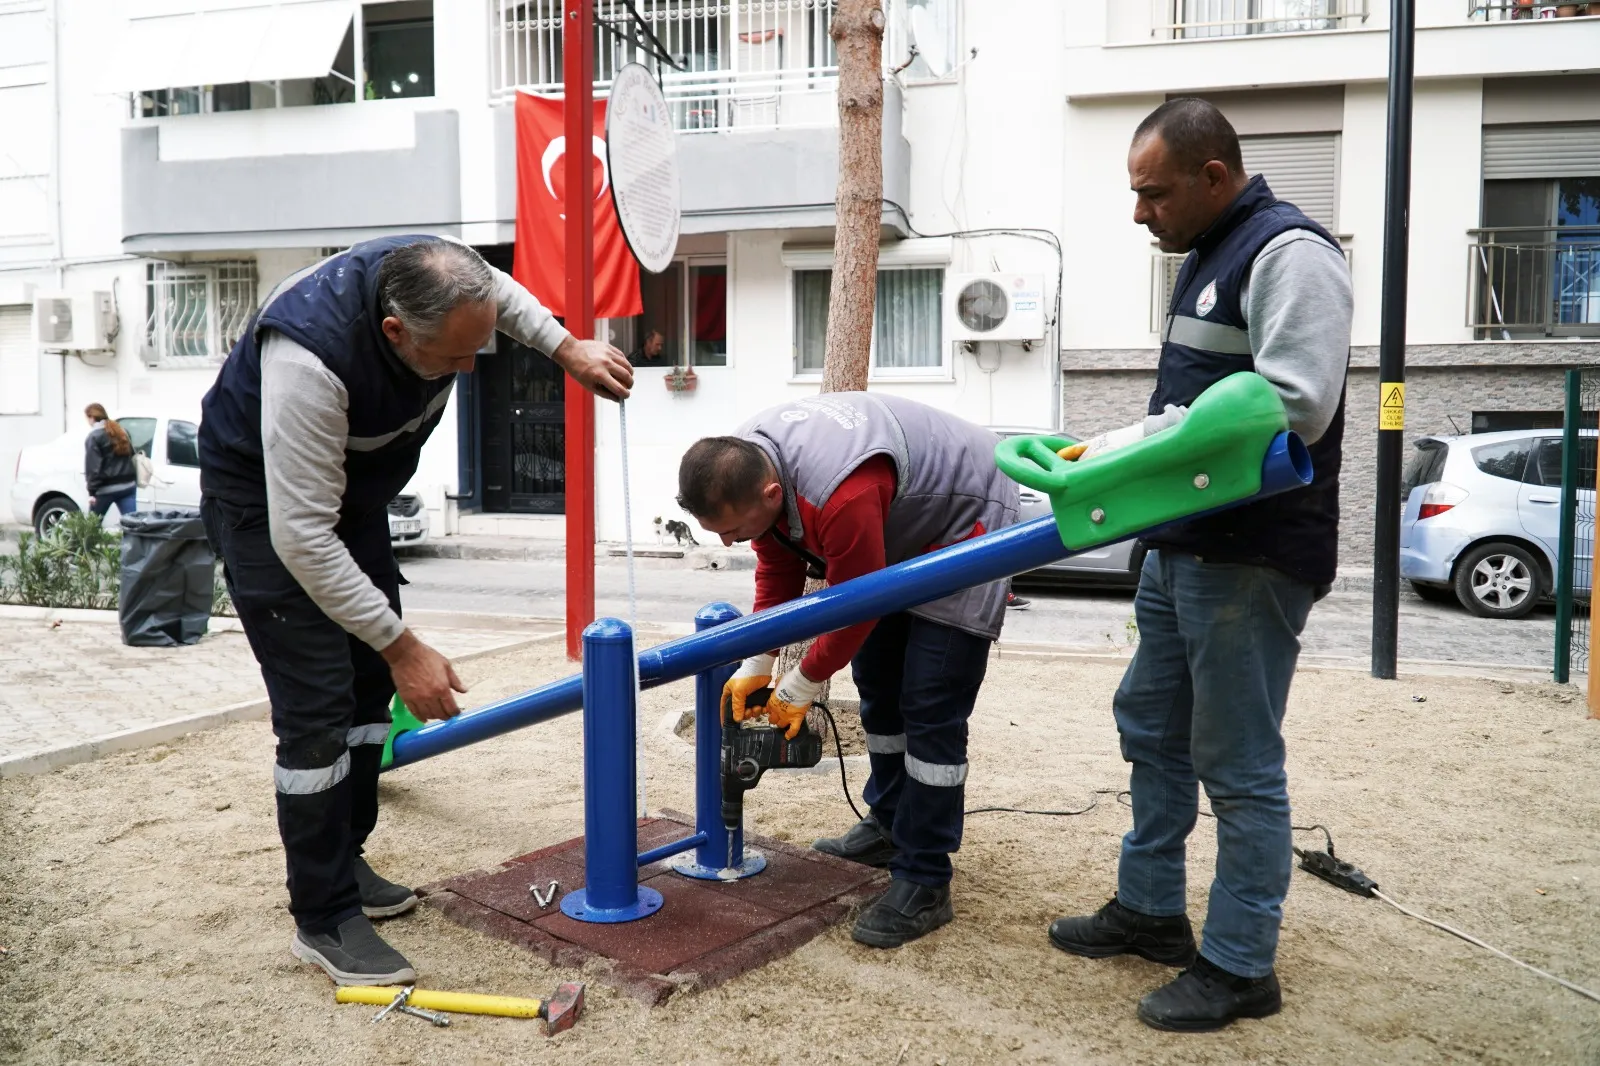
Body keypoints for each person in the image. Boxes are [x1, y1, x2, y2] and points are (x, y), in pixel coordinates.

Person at [197, 237, 632, 986]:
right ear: (396, 332)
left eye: (477, 351)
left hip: (355, 491)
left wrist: (567, 350)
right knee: (318, 708)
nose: (467, 371)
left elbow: (501, 291)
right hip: (268, 509)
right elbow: (301, 534)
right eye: (452, 358)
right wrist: (405, 647)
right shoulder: (309, 361)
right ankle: (323, 916)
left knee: (369, 690)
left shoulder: (448, 277)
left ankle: (349, 859)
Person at [1046, 99, 1351, 1032]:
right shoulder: (1208, 255)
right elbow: (1192, 405)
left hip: (1252, 552)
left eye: (1153, 193)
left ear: (1213, 177)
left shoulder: (1289, 254)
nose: (1141, 213)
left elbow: (1293, 405)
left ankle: (1240, 963)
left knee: (1238, 763)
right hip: (1183, 542)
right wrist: (1103, 455)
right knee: (1151, 725)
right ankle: (1150, 909)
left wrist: (1125, 455)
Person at [677, 392, 1019, 948]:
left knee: (930, 703)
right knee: (879, 685)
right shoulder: (746, 462)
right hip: (898, 524)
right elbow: (779, 565)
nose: (725, 542)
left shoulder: (840, 492)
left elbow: (855, 604)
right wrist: (758, 660)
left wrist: (803, 682)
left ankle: (926, 875)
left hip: (966, 519)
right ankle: (888, 824)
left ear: (770, 493)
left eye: (732, 529)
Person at [83, 403, 137, 520]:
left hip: (105, 489)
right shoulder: (122, 431)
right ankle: (131, 539)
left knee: (92, 528)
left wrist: (92, 493)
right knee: (132, 526)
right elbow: (132, 455)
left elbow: (93, 468)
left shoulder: (94, 437)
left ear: (91, 418)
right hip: (128, 486)